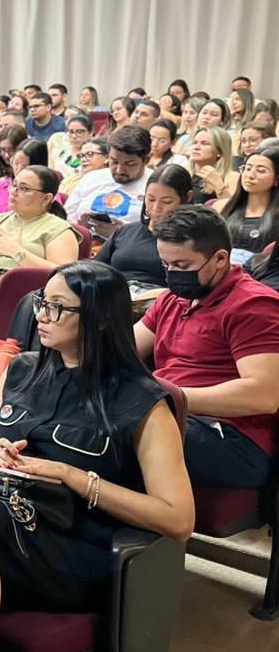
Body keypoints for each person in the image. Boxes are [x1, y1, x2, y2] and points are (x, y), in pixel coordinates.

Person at [0, 261, 193, 613]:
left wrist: (73, 476)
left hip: (73, 546)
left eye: (57, 307)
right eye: (41, 301)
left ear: (98, 318)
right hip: (1, 515)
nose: (41, 315)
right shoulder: (22, 371)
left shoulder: (142, 402)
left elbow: (178, 520)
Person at [134, 206, 279, 490]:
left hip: (231, 437)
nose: (172, 274)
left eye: (182, 266)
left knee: (117, 430)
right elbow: (124, 348)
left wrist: (165, 396)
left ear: (220, 259)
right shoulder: (173, 299)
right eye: (166, 265)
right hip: (172, 415)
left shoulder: (254, 306)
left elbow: (264, 395)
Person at [0, 165, 76, 286]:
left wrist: (16, 252)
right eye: (14, 185)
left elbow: (64, 276)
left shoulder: (59, 229)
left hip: (21, 294)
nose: (14, 192)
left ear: (47, 198)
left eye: (24, 188)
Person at [95, 164, 193, 295]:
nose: (156, 208)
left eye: (167, 201)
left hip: (159, 302)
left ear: (187, 198)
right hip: (116, 296)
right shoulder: (126, 231)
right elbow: (95, 269)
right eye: (151, 199)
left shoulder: (193, 240)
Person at [64, 126, 153, 237]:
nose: (119, 170)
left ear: (146, 160)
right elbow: (66, 220)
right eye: (114, 161)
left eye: (129, 164)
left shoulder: (156, 185)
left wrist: (123, 234)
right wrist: (81, 227)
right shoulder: (91, 178)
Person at [213, 149, 279, 261]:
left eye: (261, 171)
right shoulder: (221, 207)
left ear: (277, 179)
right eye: (247, 168)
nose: (250, 175)